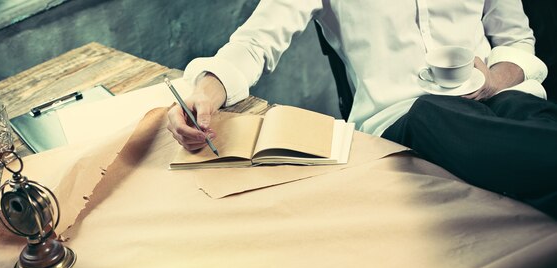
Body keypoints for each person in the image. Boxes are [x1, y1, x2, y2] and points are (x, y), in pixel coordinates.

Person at [167, 0, 557, 218]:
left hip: (493, 97)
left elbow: (516, 40)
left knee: (526, 109)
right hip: (404, 117)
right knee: (431, 113)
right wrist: (205, 92)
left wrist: (495, 80)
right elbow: (255, 42)